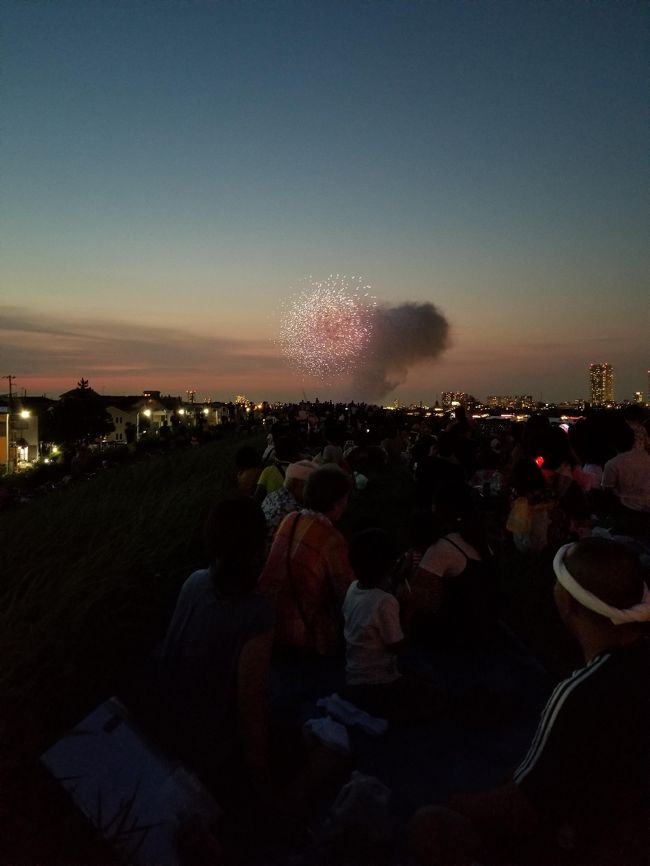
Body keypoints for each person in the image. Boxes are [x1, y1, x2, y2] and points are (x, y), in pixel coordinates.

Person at [408, 537, 650, 866]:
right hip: (617, 824)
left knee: (429, 823)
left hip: (591, 841)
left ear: (569, 603)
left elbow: (521, 807)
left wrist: (455, 803)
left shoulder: (582, 693)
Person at [159, 497, 274, 797]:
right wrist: (263, 786)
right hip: (207, 753)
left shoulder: (194, 582)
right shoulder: (257, 614)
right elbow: (251, 707)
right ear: (259, 547)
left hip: (163, 730)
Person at [341, 528, 444, 722]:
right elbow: (397, 646)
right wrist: (407, 610)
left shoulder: (353, 588)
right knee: (433, 691)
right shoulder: (384, 601)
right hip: (378, 683)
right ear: (389, 567)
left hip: (353, 676)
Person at [259, 464, 354, 656]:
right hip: (302, 635)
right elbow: (345, 593)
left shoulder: (290, 519)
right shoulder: (332, 539)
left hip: (267, 622)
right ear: (337, 503)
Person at [261, 459, 316, 551]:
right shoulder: (294, 511)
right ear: (297, 483)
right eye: (312, 486)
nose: (315, 492)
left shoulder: (274, 495)